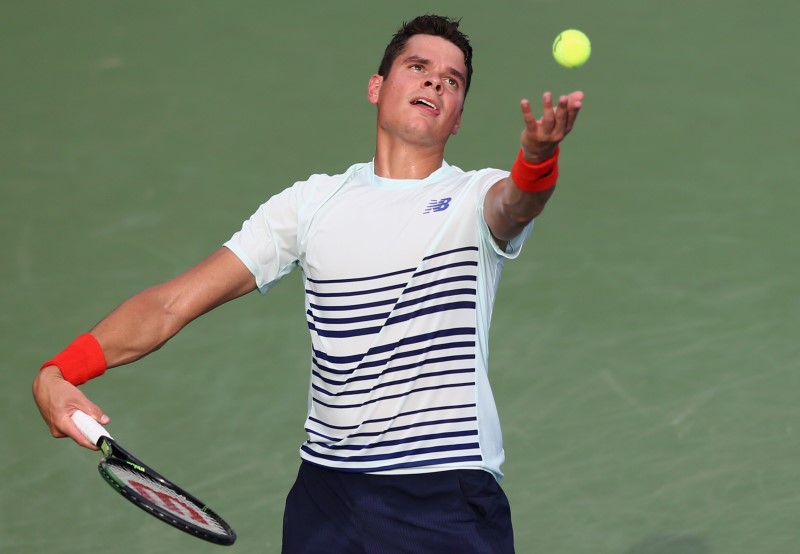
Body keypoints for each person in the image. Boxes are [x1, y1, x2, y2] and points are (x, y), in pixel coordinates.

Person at [33, 14, 583, 553]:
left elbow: (517, 203)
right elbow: (172, 303)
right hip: (327, 497)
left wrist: (537, 160)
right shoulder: (310, 204)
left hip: (441, 491)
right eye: (418, 66)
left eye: (453, 80)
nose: (436, 80)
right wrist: (62, 370)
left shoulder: (474, 198)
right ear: (376, 86)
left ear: (458, 116)